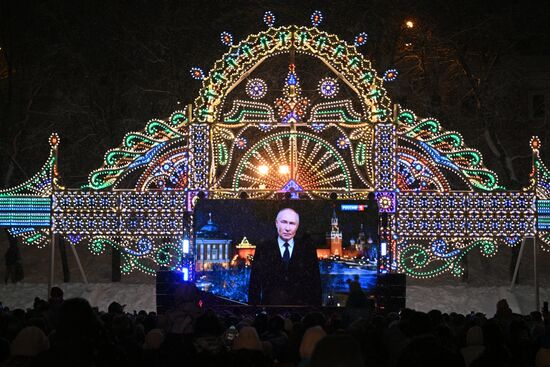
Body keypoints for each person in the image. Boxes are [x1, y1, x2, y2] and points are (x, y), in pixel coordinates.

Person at [248, 208, 321, 305]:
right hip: (270, 312)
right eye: (284, 222)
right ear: (276, 223)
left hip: (300, 312)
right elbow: (255, 284)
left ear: (297, 226)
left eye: (292, 223)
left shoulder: (308, 249)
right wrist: (253, 312)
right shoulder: (264, 248)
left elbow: (315, 284)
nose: (288, 228)